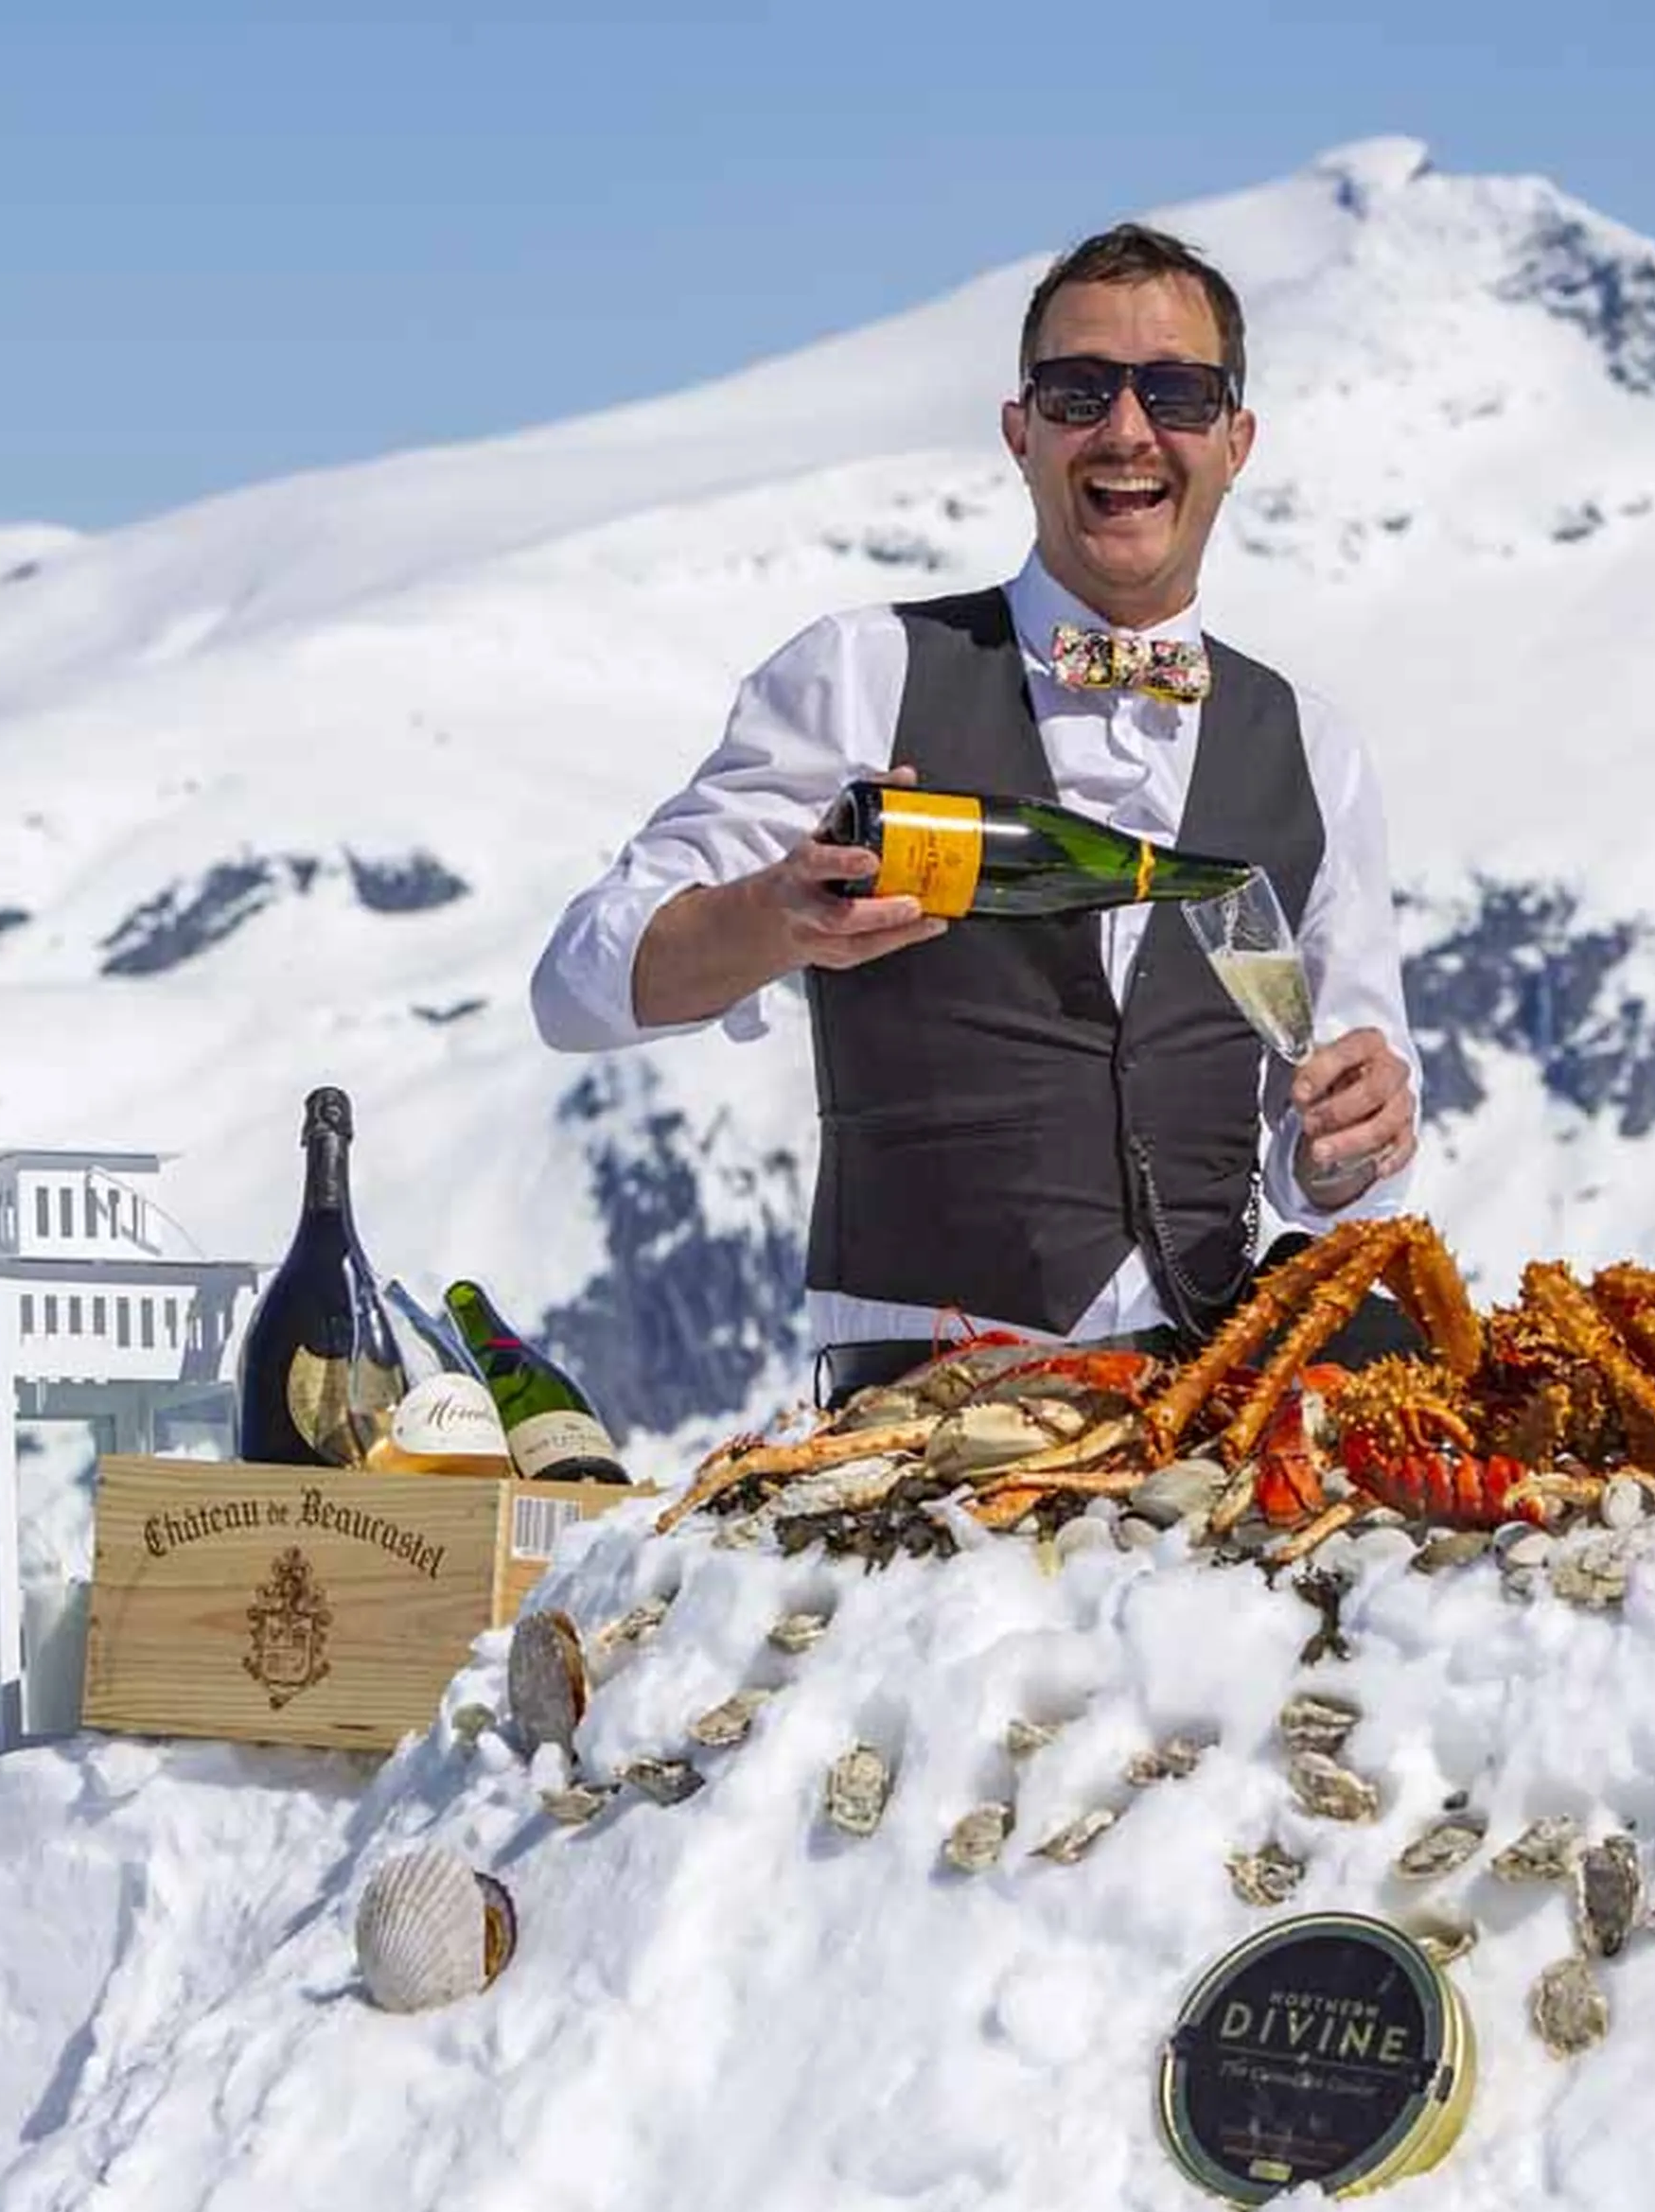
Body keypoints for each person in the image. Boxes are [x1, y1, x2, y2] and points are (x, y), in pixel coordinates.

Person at [532, 222, 1424, 1400]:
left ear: (1235, 440)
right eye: (1077, 390)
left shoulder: (1315, 752)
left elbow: (1338, 1136)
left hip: (1207, 1418)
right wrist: (775, 921)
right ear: (1021, 431)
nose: (1125, 429)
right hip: (918, 1418)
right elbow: (579, 987)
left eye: (1177, 393)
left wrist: (1355, 1137)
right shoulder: (863, 672)